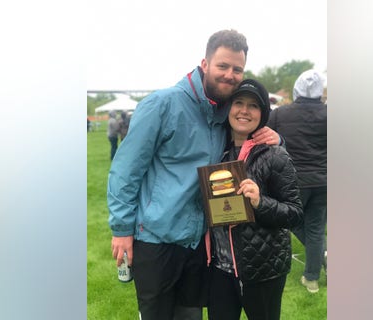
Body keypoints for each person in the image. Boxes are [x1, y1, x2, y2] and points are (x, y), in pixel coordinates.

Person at [107, 29, 281, 320]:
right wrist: (121, 229)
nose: (229, 74)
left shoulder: (225, 112)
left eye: (237, 69)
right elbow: (125, 170)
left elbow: (255, 145)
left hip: (198, 243)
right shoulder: (162, 104)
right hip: (155, 240)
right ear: (205, 64)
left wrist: (277, 139)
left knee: (190, 316)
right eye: (222, 66)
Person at [207, 79, 303, 320]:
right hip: (220, 270)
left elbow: (294, 213)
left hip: (263, 269)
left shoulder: (275, 155)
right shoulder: (215, 151)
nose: (244, 111)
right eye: (238, 102)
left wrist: (261, 203)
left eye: (253, 106)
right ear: (228, 107)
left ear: (263, 113)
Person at [267, 69, 327, 293]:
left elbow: (265, 139)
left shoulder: (281, 114)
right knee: (315, 228)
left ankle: (321, 257)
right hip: (323, 181)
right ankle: (311, 279)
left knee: (291, 221)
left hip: (293, 179)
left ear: (298, 89)